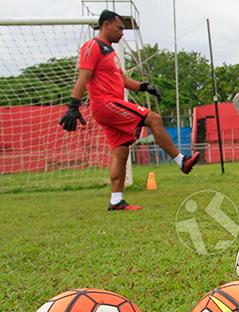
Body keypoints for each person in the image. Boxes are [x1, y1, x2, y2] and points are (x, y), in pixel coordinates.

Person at [59, 10, 200, 211]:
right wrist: (73, 105)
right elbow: (84, 76)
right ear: (106, 25)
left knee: (121, 150)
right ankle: (182, 161)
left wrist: (145, 87)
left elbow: (122, 80)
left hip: (110, 105)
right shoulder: (93, 46)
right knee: (154, 118)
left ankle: (116, 200)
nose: (122, 33)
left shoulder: (110, 52)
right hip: (106, 104)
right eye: (120, 28)